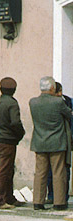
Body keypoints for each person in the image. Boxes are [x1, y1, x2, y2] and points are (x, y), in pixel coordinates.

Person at [28, 76, 73, 211]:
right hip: (57, 142)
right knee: (58, 172)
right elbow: (69, 115)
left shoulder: (33, 102)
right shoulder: (58, 102)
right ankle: (59, 202)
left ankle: (38, 201)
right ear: (52, 88)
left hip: (39, 141)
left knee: (40, 173)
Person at [0, 77, 25, 209]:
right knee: (4, 170)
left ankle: (9, 197)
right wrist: (20, 134)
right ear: (14, 90)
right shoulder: (12, 104)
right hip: (8, 141)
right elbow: (15, 122)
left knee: (7, 169)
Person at [44, 81, 73, 203]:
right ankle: (52, 195)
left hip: (65, 140)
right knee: (50, 170)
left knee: (65, 169)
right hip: (51, 141)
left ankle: (63, 196)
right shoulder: (46, 103)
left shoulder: (68, 102)